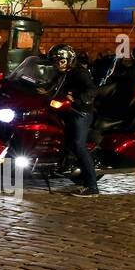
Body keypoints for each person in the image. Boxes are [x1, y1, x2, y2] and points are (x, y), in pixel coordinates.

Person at [48, 43, 99, 196]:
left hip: (80, 113)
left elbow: (91, 90)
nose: (58, 64)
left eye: (61, 61)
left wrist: (77, 98)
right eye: (56, 61)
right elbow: (51, 86)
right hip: (65, 111)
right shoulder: (61, 73)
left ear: (70, 59)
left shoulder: (80, 73)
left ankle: (92, 187)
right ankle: (62, 165)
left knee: (79, 145)